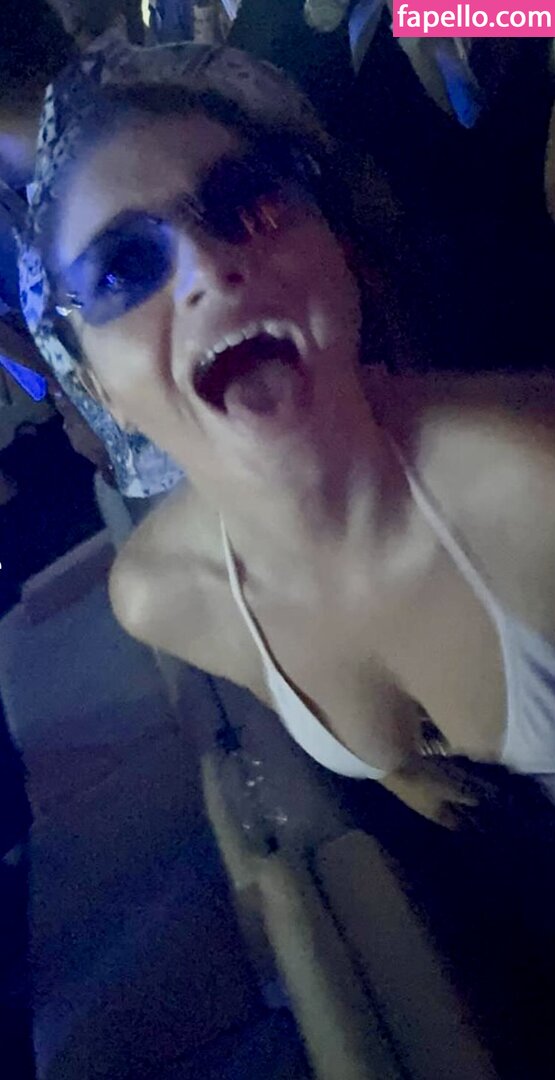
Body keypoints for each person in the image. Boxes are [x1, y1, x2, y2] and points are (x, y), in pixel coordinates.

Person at [33, 60, 555, 827]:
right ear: (101, 390)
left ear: (341, 260)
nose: (207, 267)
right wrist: (397, 771)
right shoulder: (161, 596)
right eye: (123, 267)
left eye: (248, 203)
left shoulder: (534, 479)